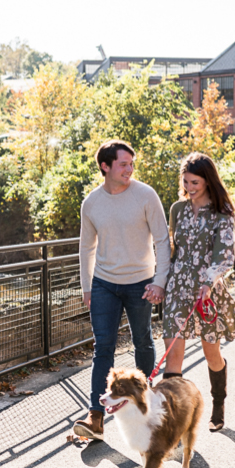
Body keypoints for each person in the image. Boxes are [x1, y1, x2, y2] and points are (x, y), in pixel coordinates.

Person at [73, 140, 171, 440]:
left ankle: (146, 408)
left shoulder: (145, 195)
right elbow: (86, 247)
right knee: (103, 347)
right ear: (106, 166)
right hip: (104, 284)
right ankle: (95, 417)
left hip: (141, 284)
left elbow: (163, 241)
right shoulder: (91, 203)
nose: (129, 169)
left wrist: (159, 281)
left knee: (142, 341)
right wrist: (87, 287)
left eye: (131, 163)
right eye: (123, 164)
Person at [161, 152, 235, 432]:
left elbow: (224, 255)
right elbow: (171, 250)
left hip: (206, 293)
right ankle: (172, 421)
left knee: (211, 353)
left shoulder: (222, 213)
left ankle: (218, 402)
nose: (189, 187)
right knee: (173, 353)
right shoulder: (177, 209)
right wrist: (161, 282)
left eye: (195, 182)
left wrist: (208, 283)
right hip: (177, 288)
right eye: (186, 181)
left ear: (208, 181)